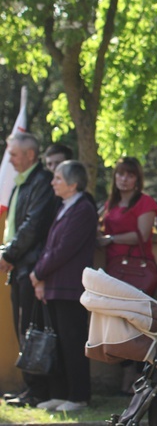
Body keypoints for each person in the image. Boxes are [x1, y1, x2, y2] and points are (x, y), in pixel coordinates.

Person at [29, 160, 98, 412]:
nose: (52, 182)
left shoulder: (83, 209)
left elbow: (63, 250)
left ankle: (79, 396)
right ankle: (60, 393)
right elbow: (50, 246)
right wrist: (42, 279)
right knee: (57, 342)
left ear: (73, 183)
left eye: (58, 178)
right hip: (55, 286)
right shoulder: (64, 206)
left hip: (70, 288)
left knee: (72, 341)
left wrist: (38, 272)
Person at [0, 132, 56, 407]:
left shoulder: (42, 181)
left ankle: (39, 390)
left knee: (33, 331)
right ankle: (30, 389)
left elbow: (32, 225)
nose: (9, 160)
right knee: (23, 329)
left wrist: (8, 254)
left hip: (33, 268)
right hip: (20, 267)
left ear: (30, 155)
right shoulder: (21, 183)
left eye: (13, 154)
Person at [99, 156, 157, 394]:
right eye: (120, 174)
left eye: (130, 174)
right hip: (114, 270)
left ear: (137, 179)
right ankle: (124, 380)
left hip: (137, 271)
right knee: (118, 325)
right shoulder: (110, 203)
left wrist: (110, 239)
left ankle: (134, 380)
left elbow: (143, 235)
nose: (124, 179)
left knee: (137, 324)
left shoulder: (145, 202)